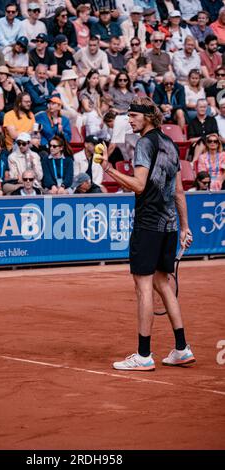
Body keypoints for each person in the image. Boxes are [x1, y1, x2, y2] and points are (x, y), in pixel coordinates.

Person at [94, 96, 195, 371]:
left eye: (134, 116)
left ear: (147, 117)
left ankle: (143, 354)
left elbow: (138, 185)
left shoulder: (144, 144)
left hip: (148, 225)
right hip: (170, 226)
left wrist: (108, 169)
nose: (129, 120)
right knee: (163, 283)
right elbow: (178, 192)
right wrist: (185, 227)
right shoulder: (171, 145)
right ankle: (182, 348)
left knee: (144, 287)